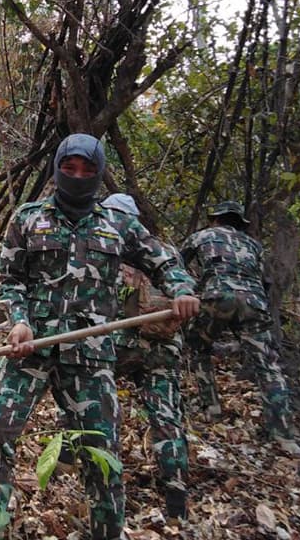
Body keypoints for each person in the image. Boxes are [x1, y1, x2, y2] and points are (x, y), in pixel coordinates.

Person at [0, 134, 200, 540]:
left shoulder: (119, 224)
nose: (77, 176)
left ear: (100, 173)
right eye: (69, 168)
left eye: (87, 170)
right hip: (30, 351)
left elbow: (164, 261)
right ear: (57, 169)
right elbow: (10, 280)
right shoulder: (28, 218)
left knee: (102, 456)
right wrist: (19, 320)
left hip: (91, 358)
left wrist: (181, 289)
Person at [180, 201, 300, 453]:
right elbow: (265, 281)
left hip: (217, 297)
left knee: (198, 347)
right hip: (254, 303)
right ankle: (284, 434)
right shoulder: (254, 245)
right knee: (268, 365)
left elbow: (177, 267)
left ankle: (211, 408)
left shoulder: (202, 235)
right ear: (239, 223)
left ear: (215, 219)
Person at [100, 193, 189, 520]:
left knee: (97, 404)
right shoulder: (165, 251)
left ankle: (99, 480)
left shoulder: (103, 243)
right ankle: (176, 493)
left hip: (116, 343)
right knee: (166, 416)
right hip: (163, 346)